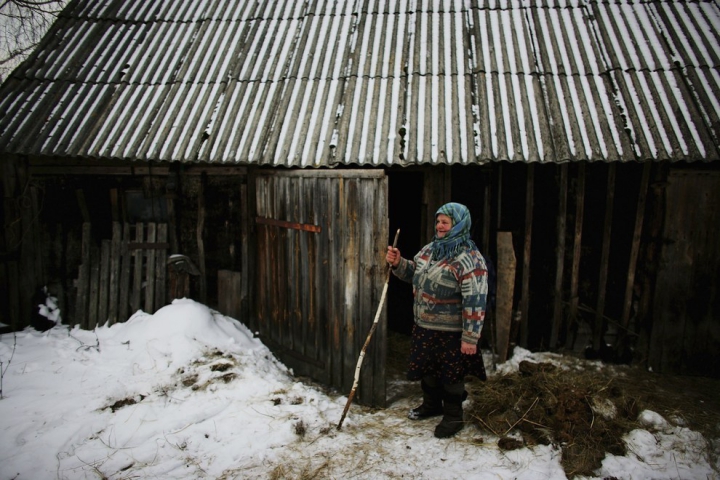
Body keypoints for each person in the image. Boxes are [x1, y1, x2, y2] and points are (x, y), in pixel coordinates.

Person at [386, 202, 489, 438]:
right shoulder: (430, 250)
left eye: (446, 222)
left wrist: (470, 337)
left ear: (459, 224)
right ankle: (432, 406)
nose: (440, 226)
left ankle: (453, 417)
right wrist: (398, 263)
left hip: (452, 332)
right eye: (438, 221)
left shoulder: (470, 259)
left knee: (451, 376)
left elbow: (476, 301)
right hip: (425, 326)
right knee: (428, 370)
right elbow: (415, 275)